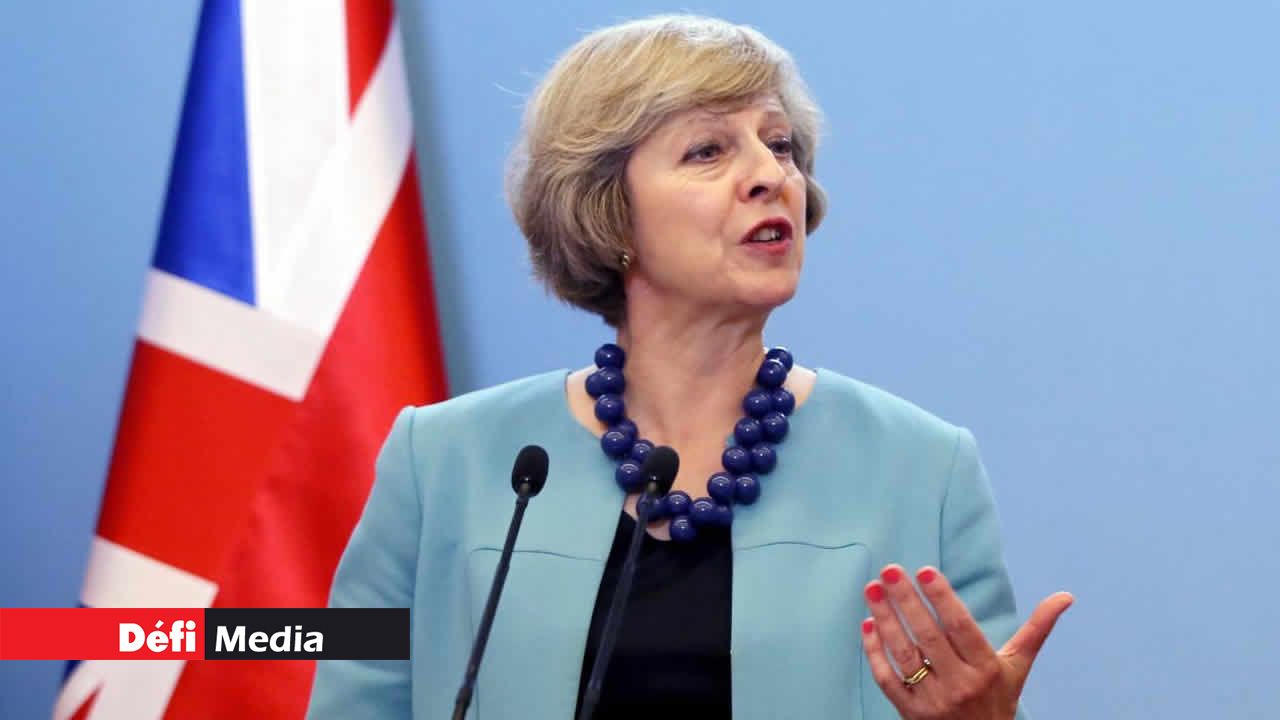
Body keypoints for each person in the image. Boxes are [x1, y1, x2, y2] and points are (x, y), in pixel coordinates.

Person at [306, 14, 1072, 720]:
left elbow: (973, 697)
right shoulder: (441, 462)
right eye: (708, 150)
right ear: (607, 212)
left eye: (781, 146)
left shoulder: (924, 469)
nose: (771, 174)